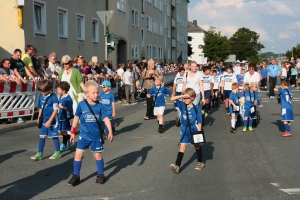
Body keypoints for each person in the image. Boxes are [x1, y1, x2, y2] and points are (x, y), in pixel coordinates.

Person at [68, 80, 114, 186]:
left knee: (97, 155)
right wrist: (72, 132)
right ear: (87, 94)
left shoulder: (100, 106)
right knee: (78, 155)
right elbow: (76, 119)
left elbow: (106, 119)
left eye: (97, 92)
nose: (96, 94)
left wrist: (110, 131)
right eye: (94, 93)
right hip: (84, 136)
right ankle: (76, 175)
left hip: (96, 136)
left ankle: (101, 174)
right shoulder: (81, 105)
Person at [170, 88, 204, 174]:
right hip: (184, 129)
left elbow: (200, 120)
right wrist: (183, 96)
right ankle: (177, 166)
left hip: (194, 128)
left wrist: (199, 132)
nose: (185, 100)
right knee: (182, 147)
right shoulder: (181, 104)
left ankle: (200, 162)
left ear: (192, 98)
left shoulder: (196, 107)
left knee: (197, 146)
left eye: (187, 98)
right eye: (184, 98)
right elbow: (172, 99)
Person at [30, 80, 61, 160]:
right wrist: (39, 117)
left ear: (50, 89)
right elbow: (40, 107)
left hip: (52, 120)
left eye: (44, 91)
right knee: (42, 136)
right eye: (41, 91)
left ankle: (58, 152)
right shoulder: (40, 96)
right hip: (44, 119)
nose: (42, 93)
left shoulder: (53, 97)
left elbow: (56, 110)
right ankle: (39, 153)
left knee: (54, 136)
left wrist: (50, 121)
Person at [57, 81, 73, 151]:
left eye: (59, 89)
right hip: (60, 116)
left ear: (63, 90)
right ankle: (69, 139)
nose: (57, 90)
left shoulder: (68, 99)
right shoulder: (61, 96)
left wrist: (61, 107)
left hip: (65, 117)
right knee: (60, 131)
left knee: (64, 131)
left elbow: (69, 109)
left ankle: (64, 144)